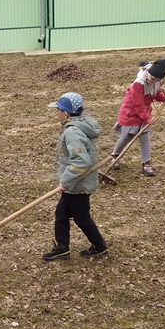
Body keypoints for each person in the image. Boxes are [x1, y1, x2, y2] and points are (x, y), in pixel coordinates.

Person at [43, 92, 108, 261]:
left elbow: (80, 161)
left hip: (78, 185)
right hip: (75, 183)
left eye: (58, 110)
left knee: (82, 217)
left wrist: (66, 181)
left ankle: (99, 246)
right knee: (62, 214)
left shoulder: (72, 132)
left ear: (66, 113)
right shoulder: (79, 126)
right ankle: (62, 247)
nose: (57, 114)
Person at [109, 58, 165, 177]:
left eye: (157, 80)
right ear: (149, 73)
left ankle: (146, 164)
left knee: (144, 137)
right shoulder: (138, 83)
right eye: (152, 79)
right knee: (126, 137)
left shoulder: (157, 81)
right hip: (130, 112)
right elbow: (138, 104)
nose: (154, 82)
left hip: (144, 112)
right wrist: (147, 117)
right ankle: (115, 156)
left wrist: (163, 97)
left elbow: (156, 92)